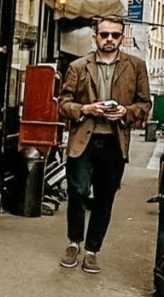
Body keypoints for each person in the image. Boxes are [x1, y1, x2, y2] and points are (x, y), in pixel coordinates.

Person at [58, 16, 150, 274]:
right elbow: (63, 104)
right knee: (77, 193)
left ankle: (92, 250)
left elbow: (145, 104)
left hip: (114, 142)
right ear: (95, 36)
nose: (109, 39)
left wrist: (126, 112)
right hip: (83, 141)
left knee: (104, 197)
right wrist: (86, 109)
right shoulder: (78, 66)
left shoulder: (136, 66)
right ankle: (74, 242)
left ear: (122, 37)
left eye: (115, 35)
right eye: (104, 34)